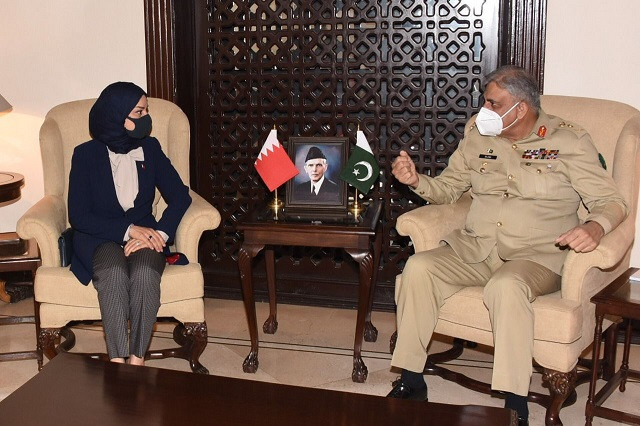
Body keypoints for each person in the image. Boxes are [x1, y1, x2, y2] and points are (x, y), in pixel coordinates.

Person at [388, 66, 628, 425]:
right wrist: (417, 180)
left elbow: (613, 201)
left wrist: (595, 226)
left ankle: (515, 403)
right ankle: (411, 380)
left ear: (520, 107)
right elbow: (449, 189)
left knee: (507, 286)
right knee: (419, 268)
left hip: (537, 257)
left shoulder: (570, 141)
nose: (483, 108)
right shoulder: (477, 136)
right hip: (478, 248)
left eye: (492, 102)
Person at [68, 82, 192, 366]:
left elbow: (180, 196)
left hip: (146, 235)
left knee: (146, 273)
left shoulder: (150, 147)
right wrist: (127, 231)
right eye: (139, 111)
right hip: (99, 236)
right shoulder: (84, 154)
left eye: (146, 110)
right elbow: (79, 215)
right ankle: (116, 362)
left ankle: (137, 362)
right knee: (112, 271)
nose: (146, 117)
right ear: (117, 116)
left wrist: (159, 233)